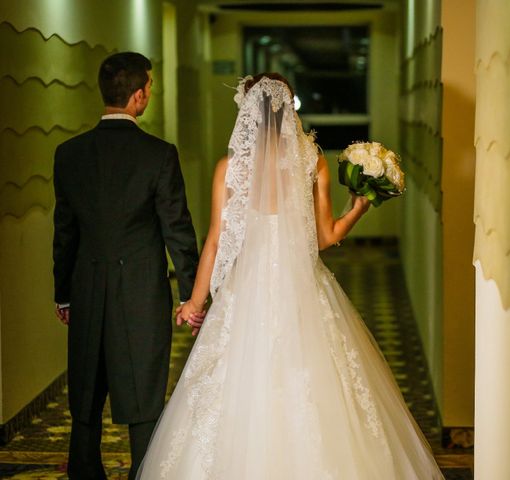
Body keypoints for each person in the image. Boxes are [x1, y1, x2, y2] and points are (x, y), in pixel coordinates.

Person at [137, 73, 444, 479]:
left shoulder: (230, 168)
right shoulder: (311, 161)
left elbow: (214, 240)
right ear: (288, 109)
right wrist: (359, 208)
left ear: (247, 113)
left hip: (245, 296)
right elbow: (324, 237)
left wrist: (195, 302)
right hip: (302, 292)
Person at [52, 52, 203, 480]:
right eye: (149, 87)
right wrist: (192, 296)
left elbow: (65, 232)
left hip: (85, 288)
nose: (149, 93)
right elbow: (177, 230)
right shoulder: (159, 155)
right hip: (140, 293)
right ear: (139, 96)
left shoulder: (69, 154)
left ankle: (83, 473)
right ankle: (144, 472)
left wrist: (63, 292)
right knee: (143, 398)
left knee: (85, 397)